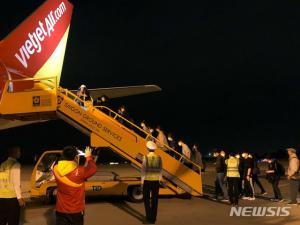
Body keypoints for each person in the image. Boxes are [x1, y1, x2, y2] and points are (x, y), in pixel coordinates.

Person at [53, 146, 97, 225]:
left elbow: (58, 163)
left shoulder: (55, 169)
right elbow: (93, 168)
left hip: (61, 209)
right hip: (76, 210)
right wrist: (88, 157)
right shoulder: (81, 171)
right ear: (75, 157)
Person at [0, 146, 25, 225]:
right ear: (14, 153)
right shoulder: (16, 164)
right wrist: (20, 198)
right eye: (19, 151)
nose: (20, 153)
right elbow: (16, 183)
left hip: (1, 198)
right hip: (12, 199)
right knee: (13, 222)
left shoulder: (2, 164)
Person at [141, 141, 163, 224]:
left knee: (146, 200)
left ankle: (148, 217)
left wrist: (142, 182)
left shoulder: (145, 157)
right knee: (155, 200)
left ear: (147, 148)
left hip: (147, 180)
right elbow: (160, 170)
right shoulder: (159, 157)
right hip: (156, 181)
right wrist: (160, 180)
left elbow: (143, 170)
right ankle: (153, 219)